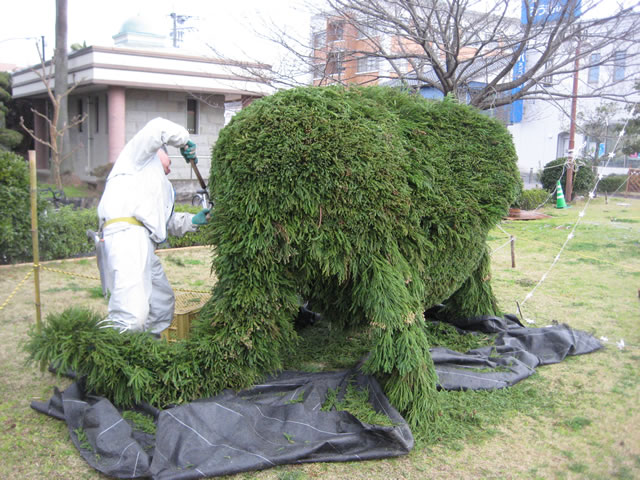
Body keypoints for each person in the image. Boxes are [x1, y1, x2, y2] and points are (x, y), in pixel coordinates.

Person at [96, 117, 209, 335]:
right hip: (125, 236)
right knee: (131, 316)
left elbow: (163, 222)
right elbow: (158, 126)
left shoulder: (156, 184)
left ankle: (148, 351)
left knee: (161, 304)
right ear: (160, 152)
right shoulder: (136, 157)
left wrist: (193, 221)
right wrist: (185, 141)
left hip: (145, 242)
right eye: (169, 163)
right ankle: (103, 353)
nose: (170, 169)